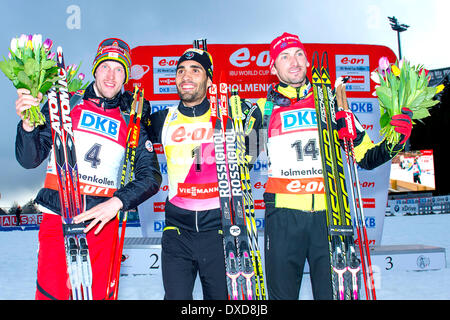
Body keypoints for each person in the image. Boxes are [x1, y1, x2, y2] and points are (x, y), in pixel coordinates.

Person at [256, 32, 413, 300]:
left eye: (299, 54)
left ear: (306, 61)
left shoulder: (331, 103)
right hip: (283, 218)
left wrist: (395, 140)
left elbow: (366, 157)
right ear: (273, 67)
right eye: (284, 56)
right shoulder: (264, 109)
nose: (294, 62)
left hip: (331, 217)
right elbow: (243, 156)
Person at [14, 38, 162, 300]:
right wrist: (27, 127)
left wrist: (117, 202)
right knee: (51, 294)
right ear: (95, 69)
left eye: (119, 70)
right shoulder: (66, 104)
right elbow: (29, 159)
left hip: (101, 223)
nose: (111, 76)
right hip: (57, 217)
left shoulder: (131, 120)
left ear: (125, 77)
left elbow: (150, 176)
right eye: (106, 66)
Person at [145, 47, 261, 299]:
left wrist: (247, 155)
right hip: (177, 233)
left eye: (195, 70)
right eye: (181, 70)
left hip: (219, 232)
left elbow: (253, 141)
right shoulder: (163, 119)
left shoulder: (228, 118)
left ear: (209, 80)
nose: (186, 76)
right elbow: (132, 133)